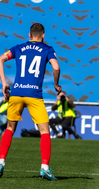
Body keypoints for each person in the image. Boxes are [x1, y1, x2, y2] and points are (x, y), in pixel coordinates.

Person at [0, 23, 61, 180]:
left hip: (17, 92)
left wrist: (4, 83)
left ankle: (1, 162)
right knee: (44, 131)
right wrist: (56, 84)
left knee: (9, 129)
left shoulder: (18, 47)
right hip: (34, 94)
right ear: (43, 35)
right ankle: (44, 168)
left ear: (29, 35)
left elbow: (0, 59)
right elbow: (56, 67)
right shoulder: (48, 49)